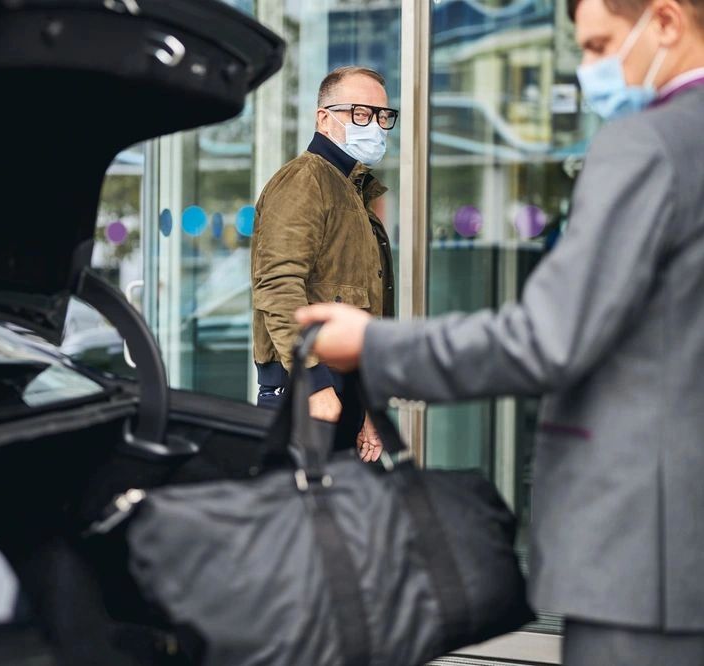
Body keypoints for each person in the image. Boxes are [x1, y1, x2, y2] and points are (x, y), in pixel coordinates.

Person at [296, 0, 704, 661]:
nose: (589, 69)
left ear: (664, 22)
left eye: (598, 46)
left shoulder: (647, 144)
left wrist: (372, 346)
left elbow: (546, 337)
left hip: (647, 557)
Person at [250, 65, 397, 458]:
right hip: (305, 390)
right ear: (324, 119)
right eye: (360, 114)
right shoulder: (305, 181)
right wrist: (313, 382)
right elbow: (277, 285)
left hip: (341, 389)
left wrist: (364, 401)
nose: (376, 126)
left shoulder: (351, 189)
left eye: (383, 116)